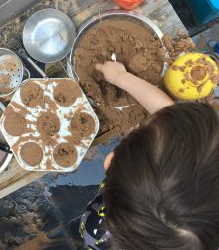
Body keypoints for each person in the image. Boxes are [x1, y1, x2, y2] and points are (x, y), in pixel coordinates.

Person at [79, 61, 219, 250]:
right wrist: (121, 77)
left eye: (141, 127)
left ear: (111, 161)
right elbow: (169, 117)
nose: (137, 126)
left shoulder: (96, 235)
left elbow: (168, 119)